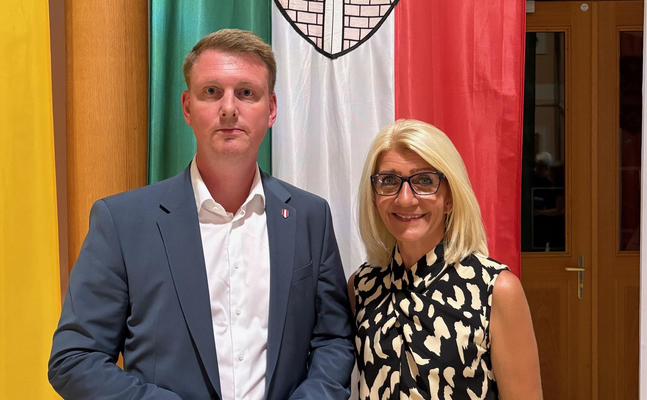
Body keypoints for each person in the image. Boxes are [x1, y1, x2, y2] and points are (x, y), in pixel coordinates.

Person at [49, 29, 354, 400]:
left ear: (271, 109)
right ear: (187, 107)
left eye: (247, 93)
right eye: (211, 91)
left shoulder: (310, 217)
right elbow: (74, 359)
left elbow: (333, 340)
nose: (229, 108)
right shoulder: (121, 222)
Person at [348, 119, 542, 399]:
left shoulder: (496, 290)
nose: (405, 199)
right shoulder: (361, 287)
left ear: (450, 198)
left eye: (424, 181)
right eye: (389, 181)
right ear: (374, 198)